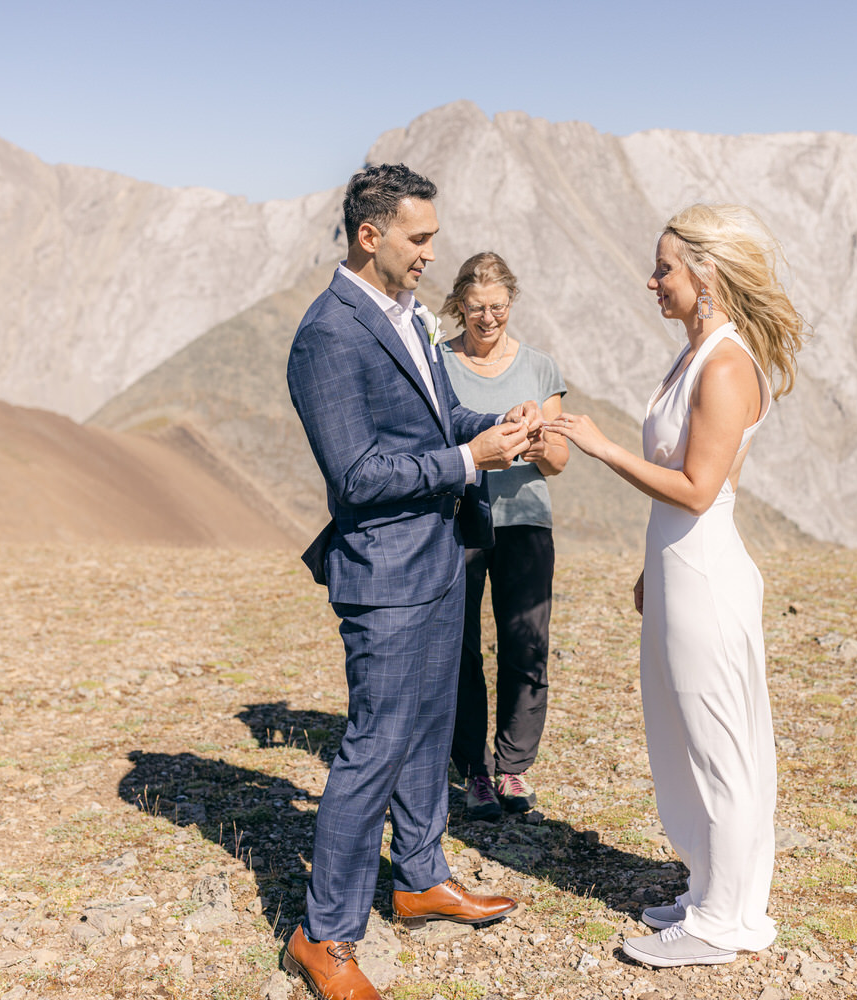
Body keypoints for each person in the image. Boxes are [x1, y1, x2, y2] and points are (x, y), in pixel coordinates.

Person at [284, 164, 543, 1000]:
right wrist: (471, 460)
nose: (433, 253)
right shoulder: (328, 334)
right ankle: (323, 935)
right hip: (385, 577)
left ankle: (421, 876)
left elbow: (431, 419)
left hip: (438, 559)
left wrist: (492, 425)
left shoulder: (405, 317)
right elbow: (357, 474)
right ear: (371, 236)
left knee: (432, 731)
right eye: (420, 238)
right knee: (373, 749)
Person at [547, 204, 805, 969]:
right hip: (678, 569)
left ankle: (727, 919)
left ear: (707, 276)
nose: (652, 280)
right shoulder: (697, 354)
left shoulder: (725, 363)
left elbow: (698, 488)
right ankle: (709, 889)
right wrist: (649, 567)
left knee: (721, 743)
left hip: (706, 573)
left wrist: (599, 447)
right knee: (683, 735)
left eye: (664, 268)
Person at [437, 252, 568, 821]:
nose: (487, 318)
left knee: (525, 646)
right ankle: (473, 770)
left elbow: (559, 458)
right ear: (458, 306)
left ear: (511, 303)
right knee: (460, 648)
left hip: (525, 523)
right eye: (475, 308)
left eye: (497, 307)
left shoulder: (540, 368)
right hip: (458, 525)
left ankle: (513, 767)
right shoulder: (436, 363)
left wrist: (536, 442)